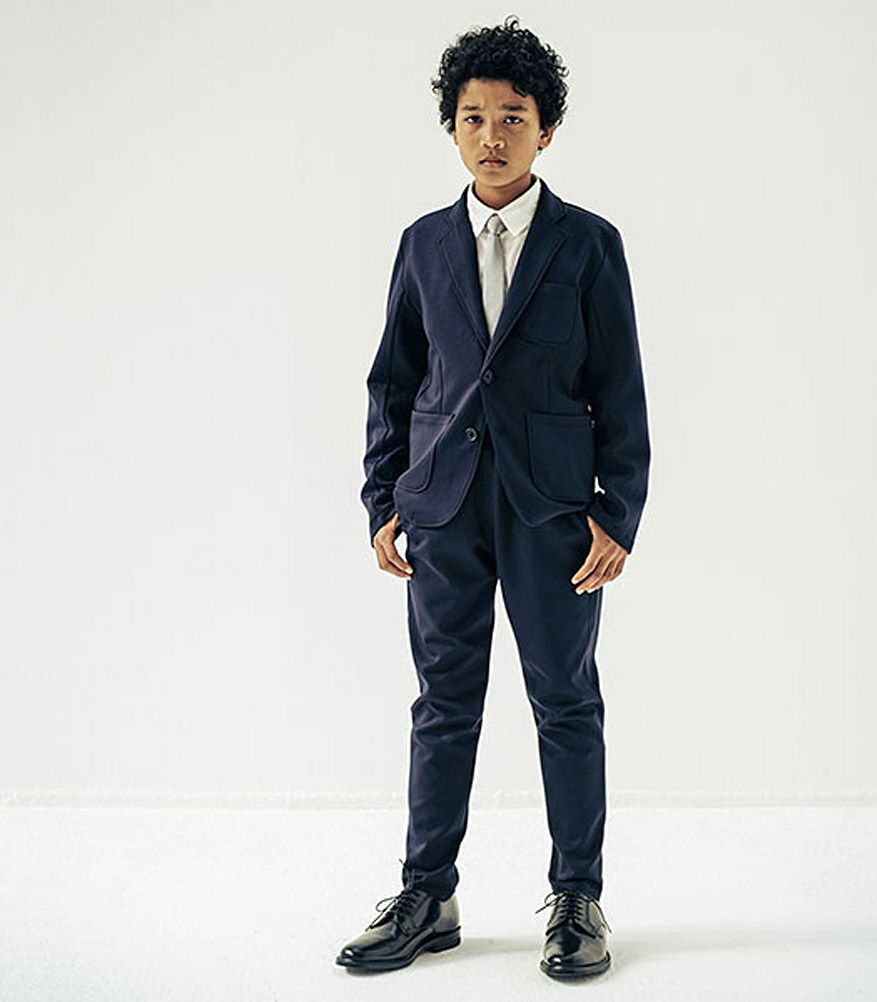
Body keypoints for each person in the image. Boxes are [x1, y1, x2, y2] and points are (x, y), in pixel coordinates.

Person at [336, 16, 650, 980]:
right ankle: (426, 894)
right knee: (443, 704)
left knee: (566, 701)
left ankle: (578, 897)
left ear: (545, 129)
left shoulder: (588, 244)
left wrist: (617, 513)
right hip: (443, 508)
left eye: (513, 117)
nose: (492, 135)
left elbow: (621, 389)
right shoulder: (423, 244)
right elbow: (395, 381)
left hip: (554, 513)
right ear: (452, 128)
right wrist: (384, 498)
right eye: (473, 117)